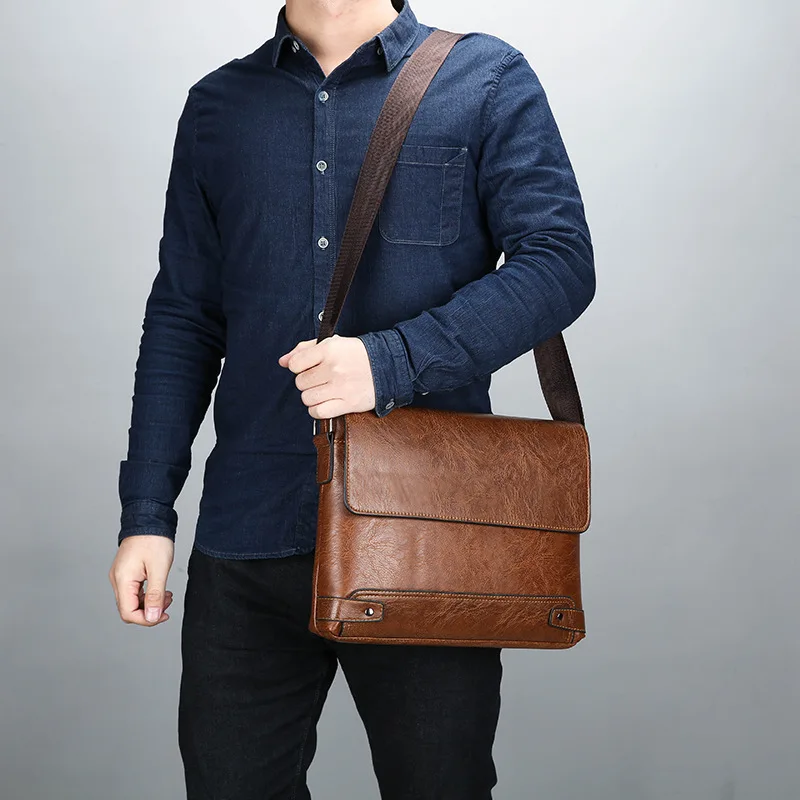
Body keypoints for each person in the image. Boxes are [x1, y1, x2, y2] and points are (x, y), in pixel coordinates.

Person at [107, 0, 595, 797]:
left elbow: (559, 261)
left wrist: (391, 361)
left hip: (427, 537)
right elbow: (184, 316)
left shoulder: (486, 79)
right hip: (247, 540)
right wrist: (146, 514)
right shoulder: (218, 106)